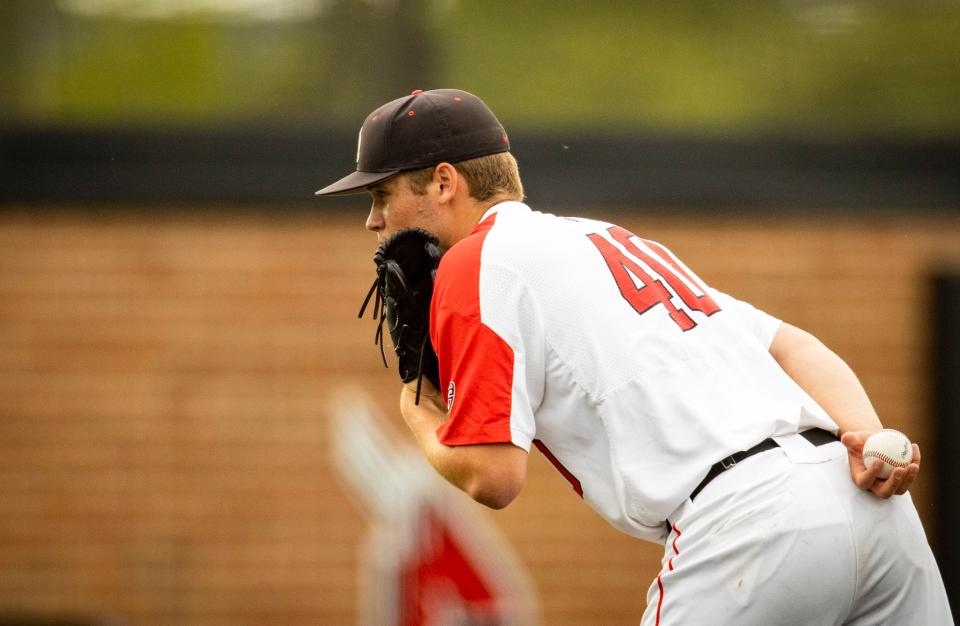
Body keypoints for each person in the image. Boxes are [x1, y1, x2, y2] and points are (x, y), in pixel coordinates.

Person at [316, 88, 952, 625]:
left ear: (445, 182)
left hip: (746, 527)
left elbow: (493, 477)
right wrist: (863, 437)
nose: (374, 221)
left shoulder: (474, 263)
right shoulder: (607, 237)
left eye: (382, 195)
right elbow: (795, 345)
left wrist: (417, 415)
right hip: (872, 510)